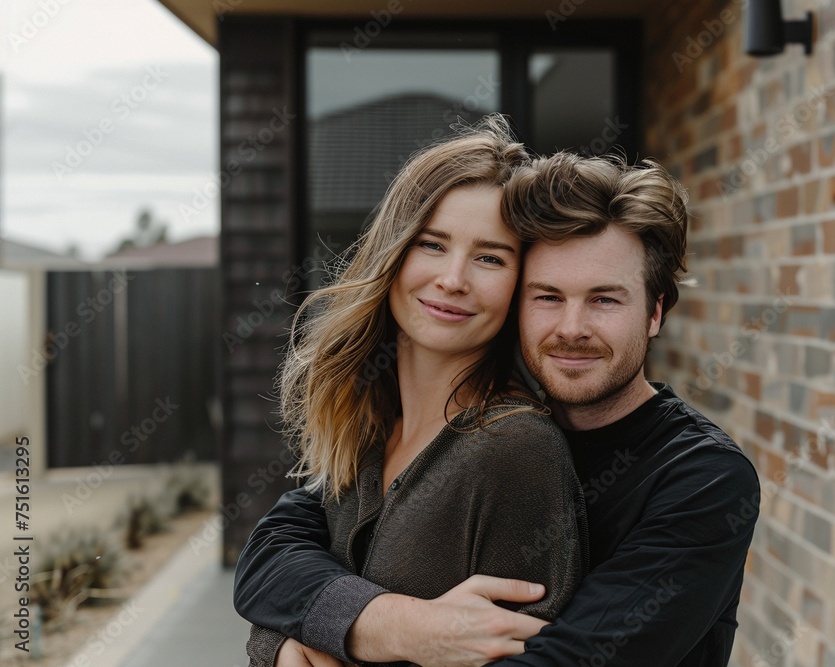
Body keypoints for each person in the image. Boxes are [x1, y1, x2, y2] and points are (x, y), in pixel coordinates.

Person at [234, 151, 761, 666]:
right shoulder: (402, 429)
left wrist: (326, 636)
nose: (572, 328)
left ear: (654, 312)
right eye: (548, 296)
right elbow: (271, 559)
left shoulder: (699, 477)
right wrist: (371, 629)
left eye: (605, 299)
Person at [235, 116, 588, 667]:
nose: (453, 278)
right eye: (432, 243)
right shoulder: (368, 426)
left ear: (520, 285)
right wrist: (284, 648)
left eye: (491, 257)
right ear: (393, 252)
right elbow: (279, 593)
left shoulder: (515, 450)